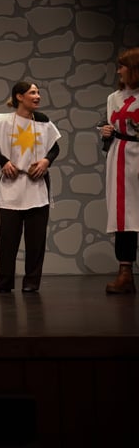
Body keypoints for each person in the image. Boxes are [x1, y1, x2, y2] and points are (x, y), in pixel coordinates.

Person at [0, 81, 61, 293]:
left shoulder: (42, 121)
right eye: (32, 93)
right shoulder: (4, 122)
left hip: (36, 187)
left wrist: (46, 161)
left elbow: (55, 148)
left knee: (36, 239)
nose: (38, 96)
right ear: (19, 96)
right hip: (12, 186)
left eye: (38, 92)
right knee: (7, 238)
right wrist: (4, 162)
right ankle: (5, 282)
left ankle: (31, 282)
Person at [98, 47, 138, 294]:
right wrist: (105, 131)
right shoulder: (114, 97)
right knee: (124, 215)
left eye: (122, 66)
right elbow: (108, 123)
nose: (118, 71)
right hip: (120, 156)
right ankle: (125, 273)